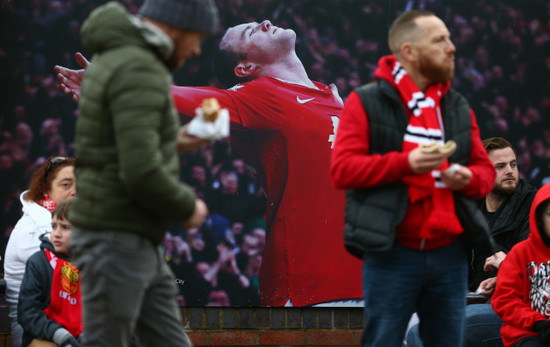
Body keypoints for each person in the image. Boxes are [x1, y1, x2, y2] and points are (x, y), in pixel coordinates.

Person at [55, 19, 363, 306]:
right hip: (315, 286)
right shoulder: (260, 95)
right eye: (252, 32)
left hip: (367, 278)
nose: (265, 23)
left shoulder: (331, 97)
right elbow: (188, 98)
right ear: (246, 67)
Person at [330, 10, 495, 347]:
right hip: (393, 252)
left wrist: (465, 177)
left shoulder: (457, 105)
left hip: (450, 254)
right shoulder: (366, 100)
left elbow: (485, 175)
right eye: (439, 40)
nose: (451, 48)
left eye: (449, 38)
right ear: (409, 52)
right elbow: (343, 169)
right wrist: (407, 163)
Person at [67, 0, 216, 346]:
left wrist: (179, 139)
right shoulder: (140, 68)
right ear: (178, 26)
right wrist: (188, 208)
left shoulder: (124, 60)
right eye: (197, 38)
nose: (196, 51)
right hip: (116, 239)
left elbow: (124, 151)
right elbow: (140, 172)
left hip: (132, 239)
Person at [406, 136, 538, 346]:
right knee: (412, 324)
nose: (510, 171)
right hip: (473, 299)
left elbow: (533, 266)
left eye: (513, 164)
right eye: (500, 166)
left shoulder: (533, 206)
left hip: (515, 305)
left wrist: (503, 274)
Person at [4, 155, 76, 347]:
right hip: (38, 333)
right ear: (46, 190)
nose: (75, 192)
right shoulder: (34, 230)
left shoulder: (67, 220)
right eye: (66, 185)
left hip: (71, 323)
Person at [491, 183, 550, 347]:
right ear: (538, 217)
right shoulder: (520, 253)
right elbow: (504, 299)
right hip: (526, 332)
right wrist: (538, 322)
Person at [18, 197, 81, 347]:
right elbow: (27, 312)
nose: (57, 234)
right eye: (54, 226)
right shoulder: (39, 262)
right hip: (46, 337)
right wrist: (58, 334)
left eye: (65, 227)